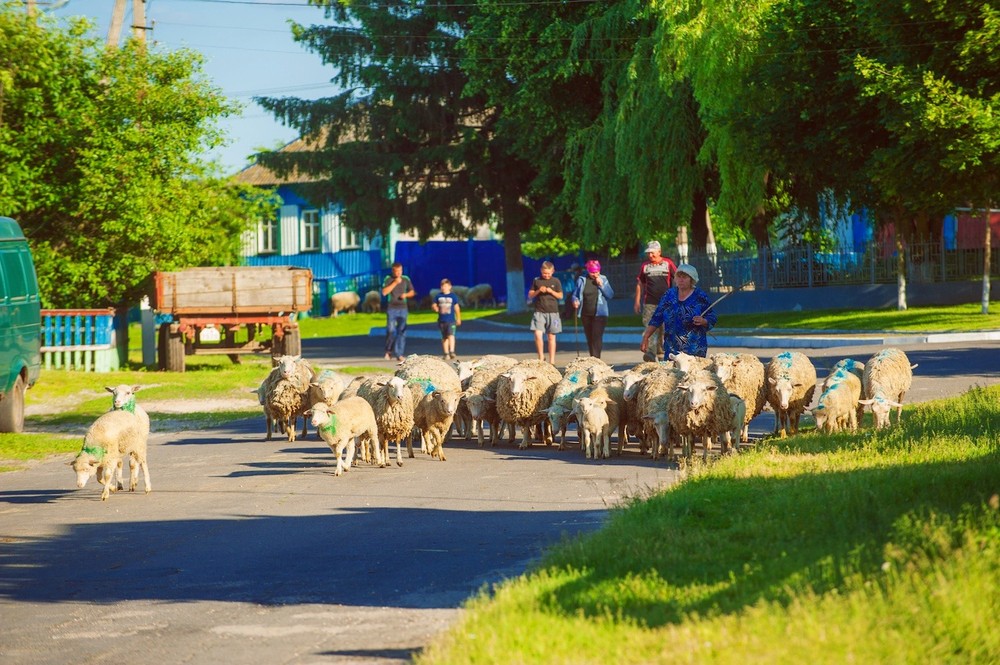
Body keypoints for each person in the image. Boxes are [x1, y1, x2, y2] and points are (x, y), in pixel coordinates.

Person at [639, 263, 716, 359]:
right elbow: (657, 318)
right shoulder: (669, 295)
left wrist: (703, 321)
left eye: (684, 277)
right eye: (678, 276)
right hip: (672, 349)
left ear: (692, 279)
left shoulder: (700, 296)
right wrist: (646, 337)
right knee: (671, 373)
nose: (681, 280)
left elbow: (712, 317)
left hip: (694, 349)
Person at [634, 240, 677, 362]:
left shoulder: (668, 264)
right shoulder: (645, 266)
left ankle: (661, 351)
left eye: (653, 253)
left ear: (659, 252)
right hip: (650, 303)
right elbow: (640, 284)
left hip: (666, 302)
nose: (650, 255)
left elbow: (678, 278)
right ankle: (650, 353)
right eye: (648, 253)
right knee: (651, 327)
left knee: (665, 327)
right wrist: (637, 301)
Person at [572, 259, 614, 358]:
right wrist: (575, 300)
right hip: (585, 313)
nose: (595, 274)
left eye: (597, 272)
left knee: (596, 337)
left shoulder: (603, 279)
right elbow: (575, 295)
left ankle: (597, 359)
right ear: (588, 271)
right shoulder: (582, 280)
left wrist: (601, 285)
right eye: (592, 272)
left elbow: (610, 295)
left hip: (600, 313)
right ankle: (592, 358)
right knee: (590, 337)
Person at [527, 261, 563, 364]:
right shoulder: (536, 280)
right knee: (538, 334)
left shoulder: (556, 281)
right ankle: (541, 357)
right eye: (544, 273)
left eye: (548, 273)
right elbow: (530, 295)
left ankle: (552, 361)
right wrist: (538, 291)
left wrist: (551, 291)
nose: (546, 275)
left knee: (551, 336)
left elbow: (560, 296)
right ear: (541, 271)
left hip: (553, 312)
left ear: (553, 271)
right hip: (539, 311)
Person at [381, 262, 415, 360]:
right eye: (397, 271)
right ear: (393, 271)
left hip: (403, 308)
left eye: (400, 271)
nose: (399, 273)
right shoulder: (388, 279)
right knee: (391, 330)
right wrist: (395, 282)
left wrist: (406, 295)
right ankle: (388, 351)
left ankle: (399, 353)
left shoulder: (406, 279)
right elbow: (384, 292)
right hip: (392, 308)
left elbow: (412, 292)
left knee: (402, 331)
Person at [432, 278, 462, 360]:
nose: (443, 288)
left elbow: (456, 307)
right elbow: (434, 305)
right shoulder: (438, 296)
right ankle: (446, 353)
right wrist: (435, 308)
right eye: (442, 286)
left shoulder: (453, 296)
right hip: (442, 320)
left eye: (445, 286)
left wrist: (458, 318)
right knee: (444, 337)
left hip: (451, 320)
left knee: (451, 335)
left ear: (449, 287)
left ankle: (452, 351)